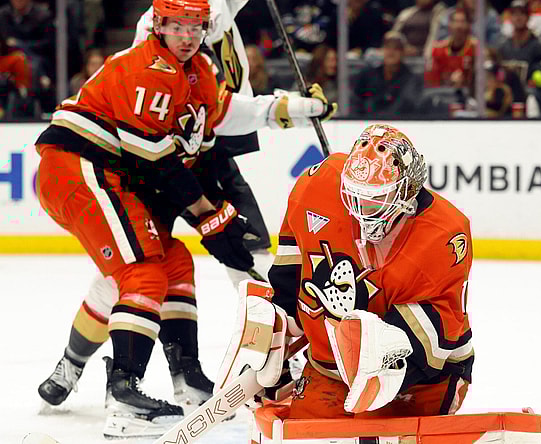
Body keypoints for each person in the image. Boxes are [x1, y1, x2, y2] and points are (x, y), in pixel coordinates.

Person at [34, 0, 335, 438]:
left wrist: (291, 109)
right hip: (84, 166)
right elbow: (158, 161)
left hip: (129, 173)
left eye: (195, 27)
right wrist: (211, 216)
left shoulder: (196, 69)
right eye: (178, 27)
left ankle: (188, 380)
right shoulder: (152, 69)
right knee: (140, 271)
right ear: (158, 25)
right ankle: (122, 395)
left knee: (174, 264)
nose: (189, 35)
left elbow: (224, 111)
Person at [217, 123, 474, 421]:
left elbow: (434, 339)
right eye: (356, 195)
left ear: (407, 191)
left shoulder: (445, 234)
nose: (363, 208)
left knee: (374, 433)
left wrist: (376, 370)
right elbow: (290, 276)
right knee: (305, 439)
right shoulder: (316, 187)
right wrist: (272, 343)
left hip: (422, 377)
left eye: (376, 197)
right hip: (330, 369)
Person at [351, 31, 422, 118]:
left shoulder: (411, 79)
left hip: (399, 125)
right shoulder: (367, 75)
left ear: (403, 52)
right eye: (388, 47)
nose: (391, 52)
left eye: (396, 48)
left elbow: (409, 106)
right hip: (368, 124)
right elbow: (356, 102)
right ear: (382, 50)